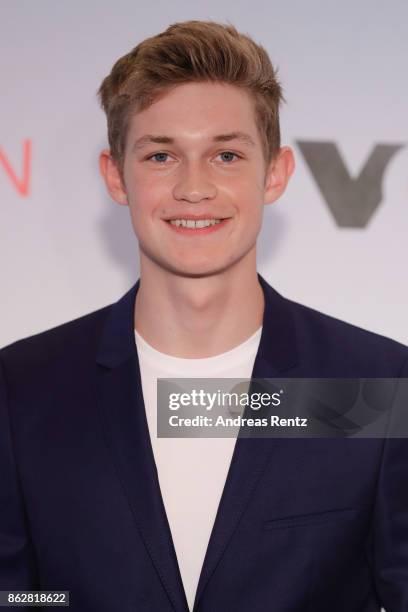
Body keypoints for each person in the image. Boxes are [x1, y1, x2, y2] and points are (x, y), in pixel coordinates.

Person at [1, 19, 407, 612]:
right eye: (162, 154)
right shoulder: (22, 387)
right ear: (117, 176)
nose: (195, 188)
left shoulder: (376, 384)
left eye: (226, 154)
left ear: (275, 173)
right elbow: (17, 596)